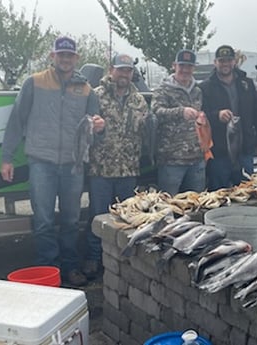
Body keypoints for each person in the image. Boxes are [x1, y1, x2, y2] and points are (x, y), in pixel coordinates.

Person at [0, 36, 105, 286]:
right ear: (53, 56)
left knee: (70, 220)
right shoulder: (34, 83)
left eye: (70, 55)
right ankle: (49, 270)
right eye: (61, 55)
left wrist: (100, 128)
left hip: (73, 165)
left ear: (76, 58)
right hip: (41, 162)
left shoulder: (87, 90)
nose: (65, 59)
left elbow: (95, 131)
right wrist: (7, 158)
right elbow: (17, 120)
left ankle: (69, 267)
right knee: (44, 220)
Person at [84, 54, 148, 279]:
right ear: (111, 70)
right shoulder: (95, 95)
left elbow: (145, 131)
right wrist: (95, 128)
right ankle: (94, 258)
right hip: (101, 169)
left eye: (128, 71)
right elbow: (83, 129)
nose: (124, 75)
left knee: (125, 219)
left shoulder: (139, 99)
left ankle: (121, 259)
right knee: (98, 216)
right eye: (120, 70)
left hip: (128, 170)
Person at [199, 45, 257, 191]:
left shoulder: (247, 84)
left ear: (234, 62)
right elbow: (200, 116)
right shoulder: (206, 87)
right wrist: (217, 115)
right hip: (219, 153)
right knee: (219, 194)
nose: (225, 64)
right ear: (215, 62)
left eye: (229, 60)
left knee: (247, 193)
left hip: (245, 151)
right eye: (222, 60)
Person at [151, 49, 206, 195]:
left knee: (197, 205)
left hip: (196, 159)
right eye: (182, 66)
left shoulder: (198, 91)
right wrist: (180, 112)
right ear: (174, 66)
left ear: (194, 68)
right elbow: (156, 112)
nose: (185, 70)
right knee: (170, 205)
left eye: (189, 66)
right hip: (171, 160)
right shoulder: (162, 90)